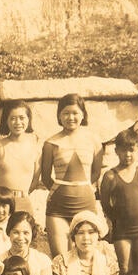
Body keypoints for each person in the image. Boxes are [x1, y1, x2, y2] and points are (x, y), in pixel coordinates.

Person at [41, 94, 104, 259]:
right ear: (59, 116)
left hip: (86, 204)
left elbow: (96, 173)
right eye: (66, 113)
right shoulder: (50, 143)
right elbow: (46, 177)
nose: (71, 117)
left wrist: (81, 188)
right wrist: (63, 190)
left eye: (75, 113)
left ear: (83, 114)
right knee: (60, 259)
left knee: (86, 257)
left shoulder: (94, 141)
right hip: (57, 209)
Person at [100, 128, 138, 274]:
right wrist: (117, 219)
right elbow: (105, 203)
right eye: (123, 150)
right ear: (116, 151)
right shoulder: (110, 176)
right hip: (122, 228)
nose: (128, 154)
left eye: (131, 150)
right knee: (124, 267)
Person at [0, 100, 40, 214]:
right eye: (13, 118)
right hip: (2, 204)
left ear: (28, 119)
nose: (17, 122)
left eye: (22, 117)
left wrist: (23, 194)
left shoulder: (34, 146)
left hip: (24, 202)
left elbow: (36, 178)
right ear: (6, 120)